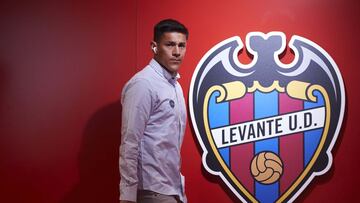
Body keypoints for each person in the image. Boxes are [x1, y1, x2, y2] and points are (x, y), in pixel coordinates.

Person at [119, 19, 189, 203]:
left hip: (173, 188)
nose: (177, 52)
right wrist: (127, 196)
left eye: (182, 46)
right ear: (154, 47)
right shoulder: (144, 84)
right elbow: (130, 142)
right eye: (170, 45)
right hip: (152, 190)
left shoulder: (175, 86)